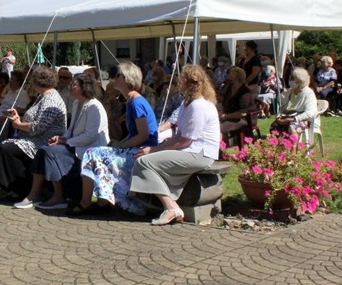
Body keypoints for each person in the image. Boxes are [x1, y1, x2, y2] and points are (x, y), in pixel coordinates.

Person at [130, 64, 220, 225]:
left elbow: (184, 141)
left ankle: (170, 207)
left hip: (200, 154)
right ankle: (165, 204)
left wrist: (153, 149)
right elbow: (179, 135)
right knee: (145, 159)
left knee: (143, 162)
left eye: (181, 81)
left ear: (190, 84)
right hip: (192, 150)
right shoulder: (188, 104)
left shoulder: (198, 106)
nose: (178, 84)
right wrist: (158, 147)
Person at [67, 61, 158, 217]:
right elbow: (135, 134)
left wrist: (121, 146)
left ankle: (88, 203)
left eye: (117, 75)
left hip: (142, 151)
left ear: (127, 78)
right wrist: (119, 144)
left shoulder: (136, 102)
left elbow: (144, 135)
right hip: (136, 148)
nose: (114, 78)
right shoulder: (131, 101)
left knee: (92, 154)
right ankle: (100, 202)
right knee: (94, 153)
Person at [14, 73, 109, 209]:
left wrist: (66, 142)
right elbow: (71, 129)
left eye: (74, 84)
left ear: (84, 87)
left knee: (50, 152)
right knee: (44, 150)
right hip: (76, 145)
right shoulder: (77, 103)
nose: (70, 86)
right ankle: (35, 194)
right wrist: (62, 138)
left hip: (90, 149)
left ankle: (58, 196)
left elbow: (90, 136)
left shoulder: (94, 106)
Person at [0, 66, 67, 201]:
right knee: (4, 148)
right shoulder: (42, 96)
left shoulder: (51, 99)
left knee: (6, 149)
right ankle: (16, 188)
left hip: (43, 140)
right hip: (32, 138)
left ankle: (22, 189)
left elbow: (39, 127)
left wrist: (18, 124)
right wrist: (18, 117)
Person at [271, 68, 318, 136]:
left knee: (292, 127)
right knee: (274, 126)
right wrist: (279, 117)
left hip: (304, 120)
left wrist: (292, 119)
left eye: (293, 78)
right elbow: (282, 108)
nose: (290, 80)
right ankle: (279, 145)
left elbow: (310, 113)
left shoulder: (308, 93)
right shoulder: (289, 91)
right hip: (288, 116)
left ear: (300, 80)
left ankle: (294, 145)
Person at [219, 67, 255, 143]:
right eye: (229, 76)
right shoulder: (229, 88)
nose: (229, 78)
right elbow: (224, 102)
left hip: (243, 119)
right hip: (229, 116)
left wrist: (225, 116)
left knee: (218, 128)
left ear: (238, 78)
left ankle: (221, 150)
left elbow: (242, 113)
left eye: (231, 77)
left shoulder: (244, 92)